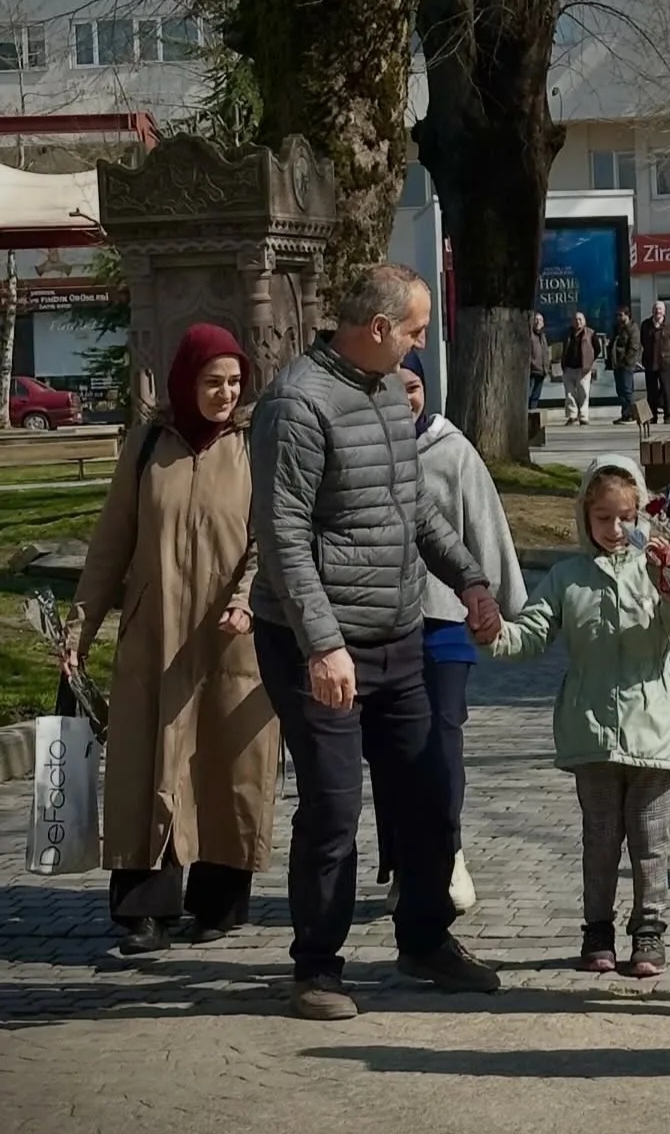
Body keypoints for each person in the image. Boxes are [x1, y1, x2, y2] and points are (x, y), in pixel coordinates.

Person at [249, 263, 504, 1021]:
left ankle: (425, 937)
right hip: (315, 644)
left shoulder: (391, 388)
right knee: (332, 808)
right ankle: (317, 967)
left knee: (427, 792)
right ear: (380, 327)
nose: (421, 344)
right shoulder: (296, 403)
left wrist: (469, 579)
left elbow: (413, 506)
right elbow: (283, 536)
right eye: (416, 330)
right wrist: (322, 643)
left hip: (398, 634)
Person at [63, 323, 280, 956]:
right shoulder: (145, 448)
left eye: (234, 382)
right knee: (145, 765)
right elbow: (110, 546)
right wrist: (79, 629)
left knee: (227, 764)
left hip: (230, 640)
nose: (225, 393)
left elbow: (270, 537)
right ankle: (144, 908)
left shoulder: (255, 446)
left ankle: (219, 900)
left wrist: (246, 601)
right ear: (185, 381)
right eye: (213, 381)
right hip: (154, 639)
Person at [477, 456, 670, 977]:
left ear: (642, 515)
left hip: (655, 728)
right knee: (600, 837)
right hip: (591, 731)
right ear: (585, 516)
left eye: (626, 517)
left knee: (650, 839)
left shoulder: (656, 569)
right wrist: (493, 634)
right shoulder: (566, 577)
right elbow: (531, 634)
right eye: (603, 518)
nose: (615, 529)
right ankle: (597, 929)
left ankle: (649, 929)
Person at [374, 351, 529, 916]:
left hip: (443, 620)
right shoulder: (361, 448)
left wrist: (506, 608)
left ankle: (448, 852)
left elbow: (484, 525)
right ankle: (402, 863)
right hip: (380, 621)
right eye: (392, 387)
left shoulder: (452, 450)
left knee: (441, 739)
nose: (404, 399)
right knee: (389, 750)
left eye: (412, 387)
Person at [641, 300, 670, 424]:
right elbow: (643, 341)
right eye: (656, 309)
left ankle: (668, 416)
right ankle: (652, 417)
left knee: (667, 390)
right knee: (651, 391)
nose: (658, 311)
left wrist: (668, 354)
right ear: (652, 311)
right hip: (650, 362)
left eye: (660, 309)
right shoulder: (646, 325)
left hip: (665, 363)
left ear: (664, 311)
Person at [561, 311, 599, 426]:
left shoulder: (591, 333)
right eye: (575, 319)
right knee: (569, 394)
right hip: (569, 368)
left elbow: (597, 349)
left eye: (580, 319)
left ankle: (583, 417)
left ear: (584, 321)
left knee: (584, 393)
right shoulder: (567, 334)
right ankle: (572, 416)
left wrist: (589, 362)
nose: (578, 322)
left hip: (583, 369)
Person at [609, 308, 642, 424]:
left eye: (620, 315)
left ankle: (632, 415)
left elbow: (634, 347)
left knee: (627, 390)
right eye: (617, 315)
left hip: (626, 365)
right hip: (617, 364)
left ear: (627, 315)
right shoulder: (618, 328)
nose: (618, 318)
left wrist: (626, 361)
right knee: (620, 391)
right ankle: (625, 414)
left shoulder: (632, 329)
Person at [529, 313, 550, 411]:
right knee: (528, 395)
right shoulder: (530, 336)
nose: (538, 322)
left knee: (535, 396)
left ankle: (532, 413)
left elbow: (546, 353)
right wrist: (531, 363)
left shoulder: (543, 336)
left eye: (540, 320)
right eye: (536, 319)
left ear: (543, 323)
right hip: (531, 371)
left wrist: (547, 367)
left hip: (541, 371)